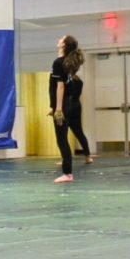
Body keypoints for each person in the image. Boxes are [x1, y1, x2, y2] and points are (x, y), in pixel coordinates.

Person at [50, 35, 85, 183]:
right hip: (65, 103)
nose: (58, 40)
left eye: (61, 39)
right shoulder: (65, 62)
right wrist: (54, 107)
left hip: (63, 104)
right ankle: (67, 171)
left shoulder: (59, 62)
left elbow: (60, 86)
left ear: (64, 45)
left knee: (61, 139)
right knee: (62, 138)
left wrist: (58, 109)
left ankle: (67, 173)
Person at [66, 72, 94, 165]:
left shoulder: (66, 81)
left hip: (67, 106)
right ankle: (88, 156)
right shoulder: (79, 81)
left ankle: (65, 159)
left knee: (62, 135)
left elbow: (63, 94)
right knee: (79, 133)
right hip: (76, 106)